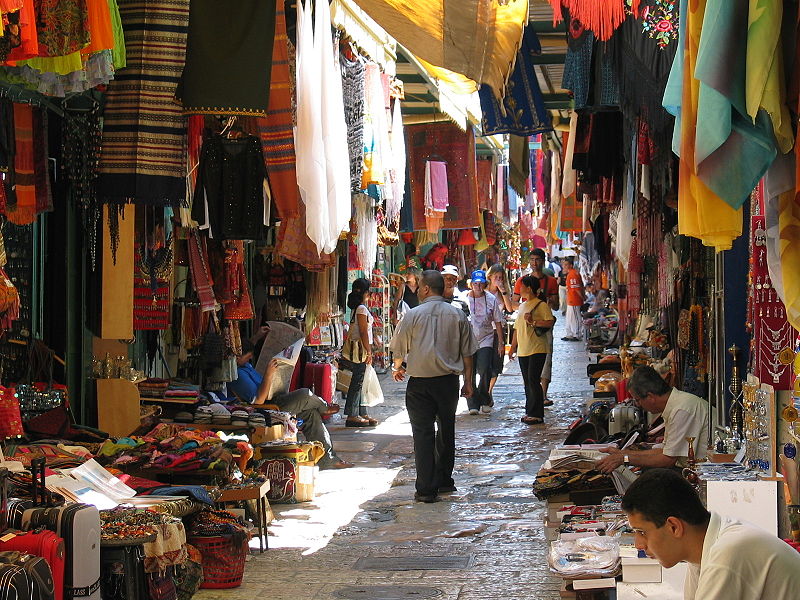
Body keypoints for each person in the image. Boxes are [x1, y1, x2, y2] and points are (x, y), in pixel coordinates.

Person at [622, 468, 800, 599]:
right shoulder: (702, 552)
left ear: (674, 527)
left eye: (642, 532)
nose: (638, 544)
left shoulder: (727, 553)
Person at [389, 270, 478, 503]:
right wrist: (468, 382)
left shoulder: (413, 315)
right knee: (446, 430)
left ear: (426, 288)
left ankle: (427, 488)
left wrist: (397, 367)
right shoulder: (457, 315)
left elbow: (398, 348)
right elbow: (468, 353)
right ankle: (444, 481)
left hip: (420, 384)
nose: (417, 290)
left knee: (423, 434)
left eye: (419, 286)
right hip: (448, 383)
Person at [595, 366, 709, 473]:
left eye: (638, 400)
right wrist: (622, 454)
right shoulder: (676, 405)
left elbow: (667, 459)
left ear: (650, 397)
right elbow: (665, 451)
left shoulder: (682, 410)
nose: (638, 405)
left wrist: (623, 458)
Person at [252, 359, 352, 469]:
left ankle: (327, 459)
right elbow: (258, 401)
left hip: (275, 400)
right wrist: (268, 374)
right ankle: (324, 407)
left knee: (311, 414)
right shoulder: (240, 375)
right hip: (266, 409)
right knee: (305, 394)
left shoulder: (248, 367)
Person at [509, 275, 555, 425]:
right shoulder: (523, 305)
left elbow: (549, 322)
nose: (520, 288)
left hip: (537, 348)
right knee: (527, 382)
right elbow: (516, 328)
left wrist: (534, 321)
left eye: (522, 286)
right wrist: (512, 347)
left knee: (533, 380)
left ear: (529, 288)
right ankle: (530, 411)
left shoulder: (541, 305)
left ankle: (537, 414)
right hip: (523, 349)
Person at [463, 270, 505, 415]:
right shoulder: (465, 299)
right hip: (468, 340)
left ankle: (484, 398)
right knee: (469, 371)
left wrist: (501, 342)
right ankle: (472, 403)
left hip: (486, 338)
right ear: (471, 284)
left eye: (481, 284)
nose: (478, 286)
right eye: (476, 283)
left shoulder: (491, 299)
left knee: (484, 368)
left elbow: (498, 321)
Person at [340, 277, 378, 428]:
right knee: (358, 382)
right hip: (361, 349)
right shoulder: (361, 309)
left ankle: (361, 412)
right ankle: (352, 414)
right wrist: (369, 352)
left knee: (362, 382)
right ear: (367, 292)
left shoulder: (358, 308)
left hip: (361, 348)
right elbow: (363, 331)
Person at [525, 248, 560, 406]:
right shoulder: (523, 281)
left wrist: (549, 301)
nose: (534, 263)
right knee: (530, 359)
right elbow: (516, 303)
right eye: (532, 259)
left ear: (543, 261)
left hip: (545, 325)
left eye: (537, 259)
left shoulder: (551, 282)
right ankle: (533, 393)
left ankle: (543, 394)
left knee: (546, 358)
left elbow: (557, 306)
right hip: (528, 326)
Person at [485, 264, 513, 396]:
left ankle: (489, 391)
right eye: (496, 277)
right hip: (483, 331)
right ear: (490, 276)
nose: (498, 280)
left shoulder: (503, 293)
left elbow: (509, 308)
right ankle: (484, 390)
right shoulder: (482, 290)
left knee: (496, 363)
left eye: (501, 278)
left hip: (498, 331)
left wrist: (503, 292)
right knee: (485, 363)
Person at [562, 257, 584, 341]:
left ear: (571, 265)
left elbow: (577, 289)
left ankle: (577, 334)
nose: (564, 266)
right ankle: (570, 334)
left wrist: (582, 298)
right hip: (571, 299)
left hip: (574, 299)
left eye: (566, 264)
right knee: (570, 317)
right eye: (564, 264)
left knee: (576, 317)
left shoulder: (573, 274)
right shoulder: (571, 274)